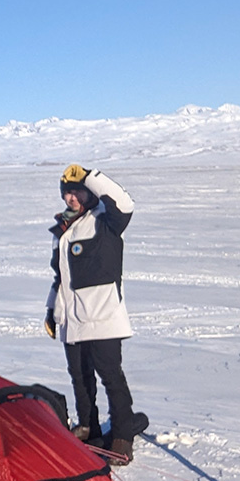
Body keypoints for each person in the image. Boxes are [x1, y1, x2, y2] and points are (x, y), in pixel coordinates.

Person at [44, 163, 147, 464]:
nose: (71, 199)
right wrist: (52, 311)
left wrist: (91, 177)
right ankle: (88, 429)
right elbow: (59, 277)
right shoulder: (62, 230)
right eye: (67, 193)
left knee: (111, 378)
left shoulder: (106, 220)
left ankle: (122, 438)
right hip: (71, 318)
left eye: (77, 192)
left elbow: (125, 202)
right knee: (79, 377)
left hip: (103, 317)